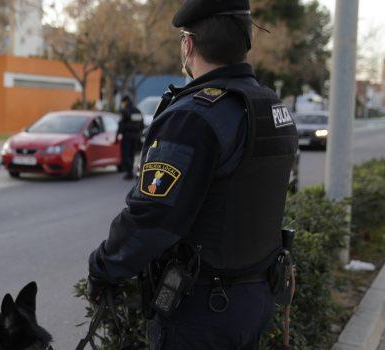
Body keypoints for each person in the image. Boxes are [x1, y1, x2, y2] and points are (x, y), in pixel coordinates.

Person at [86, 0, 298, 349]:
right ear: (245, 44)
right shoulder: (272, 107)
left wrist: (102, 267)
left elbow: (152, 219)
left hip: (202, 310)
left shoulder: (193, 117)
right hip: (255, 298)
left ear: (188, 44)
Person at [117, 95, 144, 180]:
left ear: (125, 102)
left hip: (127, 136)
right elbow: (141, 124)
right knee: (132, 154)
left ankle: (129, 172)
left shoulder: (124, 111)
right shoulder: (137, 111)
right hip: (135, 136)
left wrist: (118, 134)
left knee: (126, 154)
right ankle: (131, 172)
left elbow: (121, 124)